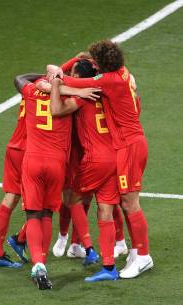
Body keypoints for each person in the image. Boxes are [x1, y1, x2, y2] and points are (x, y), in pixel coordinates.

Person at [53, 40, 153, 279]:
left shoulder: (108, 80)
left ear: (102, 64)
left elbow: (70, 81)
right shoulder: (123, 73)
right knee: (122, 202)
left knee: (129, 203)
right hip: (128, 144)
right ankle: (135, 250)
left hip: (128, 145)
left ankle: (143, 256)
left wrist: (55, 74)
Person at [14, 74, 100, 289]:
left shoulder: (31, 92)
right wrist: (66, 85)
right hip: (57, 164)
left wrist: (43, 79)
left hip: (32, 160)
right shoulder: (70, 100)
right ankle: (43, 259)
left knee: (32, 213)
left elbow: (19, 78)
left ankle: (39, 264)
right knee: (46, 214)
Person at [49, 59, 122, 280]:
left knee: (72, 197)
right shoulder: (106, 94)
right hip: (115, 157)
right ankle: (109, 267)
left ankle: (87, 248)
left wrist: (56, 84)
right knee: (105, 210)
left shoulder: (82, 99)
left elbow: (56, 110)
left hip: (95, 159)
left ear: (80, 77)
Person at [0, 73, 43, 269]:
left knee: (10, 198)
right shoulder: (55, 95)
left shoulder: (30, 90)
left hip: (14, 147)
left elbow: (21, 77)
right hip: (31, 152)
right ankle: (20, 239)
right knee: (42, 204)